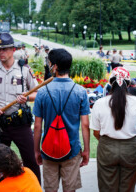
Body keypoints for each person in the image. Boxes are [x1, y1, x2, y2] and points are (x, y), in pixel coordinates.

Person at [0, 33, 41, 182]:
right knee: (0, 163)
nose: (1, 52)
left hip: (20, 124)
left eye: (5, 49)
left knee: (31, 160)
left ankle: (34, 188)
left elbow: (38, 93)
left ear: (13, 50)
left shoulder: (23, 69)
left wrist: (26, 97)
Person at [33, 48, 90, 191]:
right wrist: (87, 151)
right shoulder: (80, 91)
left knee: (50, 189)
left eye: (49, 63)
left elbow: (38, 126)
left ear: (55, 66)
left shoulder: (42, 92)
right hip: (72, 150)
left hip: (48, 149)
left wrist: (36, 151)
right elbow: (85, 125)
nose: (48, 66)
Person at [90, 67, 136, 192]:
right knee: (128, 187)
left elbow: (96, 132)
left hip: (106, 148)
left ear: (110, 82)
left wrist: (108, 142)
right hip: (130, 147)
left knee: (107, 186)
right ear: (128, 84)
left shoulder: (99, 103)